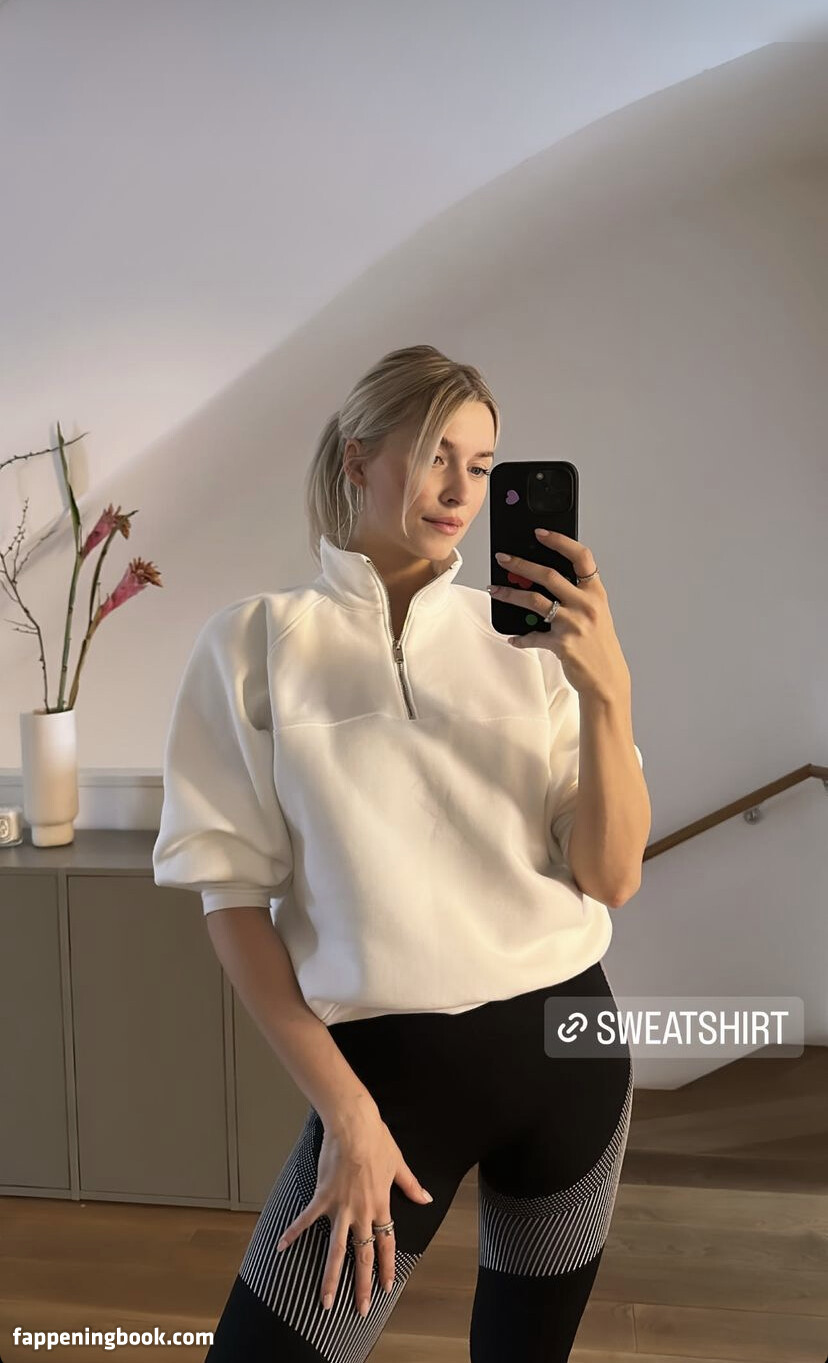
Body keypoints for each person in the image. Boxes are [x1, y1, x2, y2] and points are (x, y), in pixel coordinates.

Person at [152, 343, 649, 1361]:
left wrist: (609, 692)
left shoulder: (531, 646)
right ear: (358, 459)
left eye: (483, 464)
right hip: (388, 1083)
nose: (462, 490)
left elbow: (611, 876)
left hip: (572, 1054)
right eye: (435, 456)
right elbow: (231, 902)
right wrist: (346, 1113)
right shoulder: (253, 645)